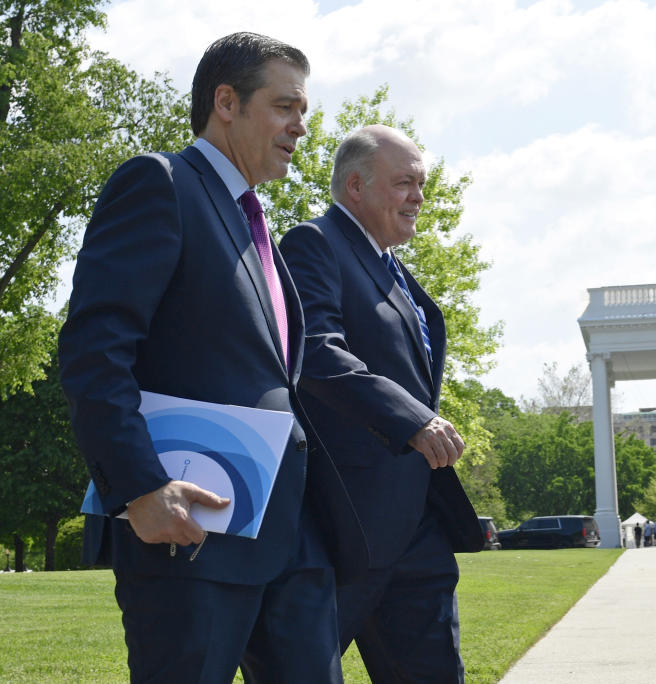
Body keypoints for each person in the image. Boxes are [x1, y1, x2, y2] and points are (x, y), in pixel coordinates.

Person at [58, 32, 366, 684]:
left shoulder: (261, 233)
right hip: (186, 534)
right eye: (285, 108)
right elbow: (93, 353)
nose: (300, 128)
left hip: (290, 535)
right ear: (226, 102)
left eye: (303, 112)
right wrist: (139, 486)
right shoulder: (160, 184)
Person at [279, 124, 484, 683]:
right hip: (343, 530)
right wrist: (414, 420)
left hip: (418, 528)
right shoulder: (313, 245)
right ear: (355, 187)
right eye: (405, 183)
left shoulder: (393, 267)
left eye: (422, 184)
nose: (419, 197)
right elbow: (316, 352)